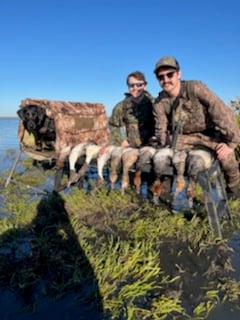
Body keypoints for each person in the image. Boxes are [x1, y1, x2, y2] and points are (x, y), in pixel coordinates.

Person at [152, 56, 240, 199]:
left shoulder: (195, 88)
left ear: (179, 74)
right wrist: (164, 146)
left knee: (227, 158)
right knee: (163, 159)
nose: (165, 79)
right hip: (181, 138)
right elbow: (160, 128)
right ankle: (165, 195)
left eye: (170, 74)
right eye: (160, 77)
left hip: (208, 136)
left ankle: (234, 191)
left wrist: (231, 143)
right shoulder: (159, 102)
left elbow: (220, 111)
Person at [108, 71, 155, 148]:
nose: (135, 88)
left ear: (145, 85)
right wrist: (121, 140)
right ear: (128, 86)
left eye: (139, 85)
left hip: (150, 148)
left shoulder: (154, 104)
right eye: (131, 85)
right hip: (130, 149)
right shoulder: (121, 107)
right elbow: (113, 125)